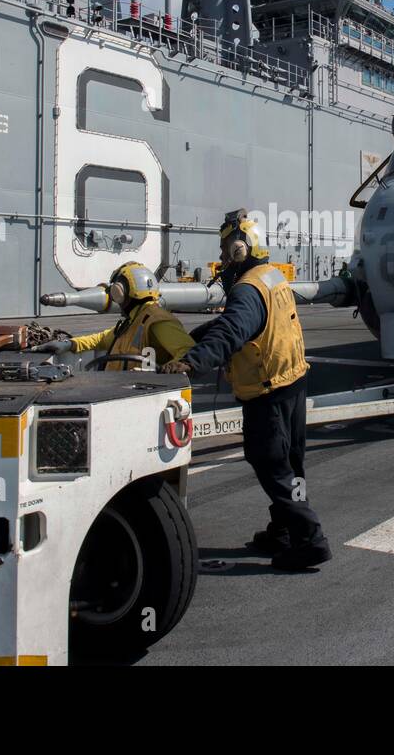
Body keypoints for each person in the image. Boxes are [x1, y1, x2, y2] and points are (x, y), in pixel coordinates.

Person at [160, 209, 331, 571]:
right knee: (291, 462)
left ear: (241, 249)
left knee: (271, 465)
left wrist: (192, 362)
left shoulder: (246, 288)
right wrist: (199, 339)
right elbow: (244, 322)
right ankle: (284, 531)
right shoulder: (270, 277)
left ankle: (310, 539)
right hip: (293, 382)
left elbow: (234, 329)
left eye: (225, 251)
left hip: (266, 392)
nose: (222, 260)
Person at [35, 261, 194, 370]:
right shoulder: (134, 320)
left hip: (141, 398)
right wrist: (70, 344)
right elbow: (102, 339)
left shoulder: (158, 320)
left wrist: (163, 376)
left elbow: (188, 353)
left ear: (120, 292)